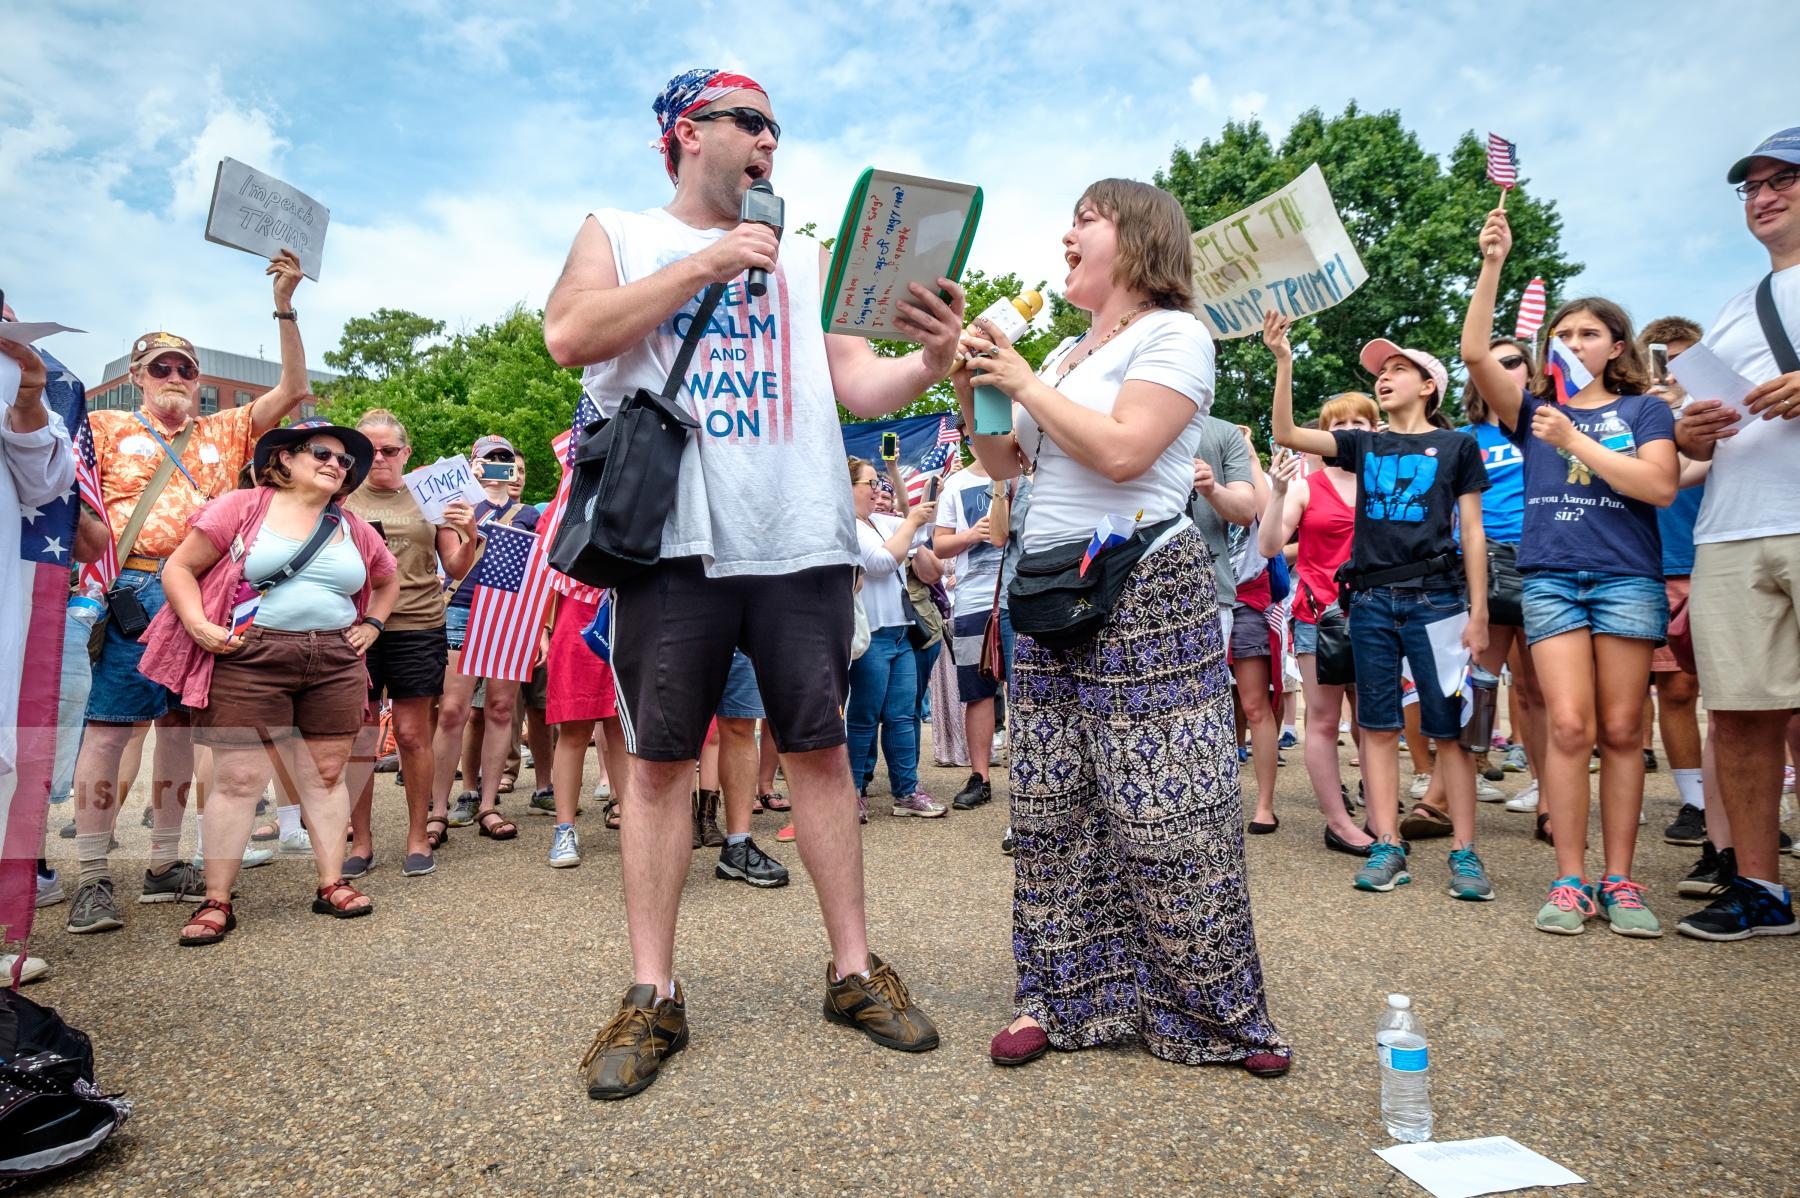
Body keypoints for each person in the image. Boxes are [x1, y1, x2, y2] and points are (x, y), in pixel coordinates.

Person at [543, 67, 965, 1099]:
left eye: (776, 125)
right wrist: (706, 265)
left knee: (820, 754)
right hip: (673, 542)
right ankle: (653, 991)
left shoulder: (808, 254)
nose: (770, 140)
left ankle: (854, 969)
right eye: (750, 121)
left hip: (802, 538)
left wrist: (932, 360)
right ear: (689, 134)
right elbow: (570, 336)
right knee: (657, 766)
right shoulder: (622, 229)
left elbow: (858, 383)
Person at [957, 177, 1287, 1075]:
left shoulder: (1175, 334)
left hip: (1144, 575)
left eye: (1085, 221)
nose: (1065, 235)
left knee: (1164, 808)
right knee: (1053, 805)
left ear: (1137, 239)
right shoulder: (1064, 352)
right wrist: (977, 384)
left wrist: (1022, 378)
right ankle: (1062, 996)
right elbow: (1004, 462)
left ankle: (1215, 1011)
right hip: (1051, 583)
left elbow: (1125, 451)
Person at [65, 252, 311, 934]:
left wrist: (284, 305)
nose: (175, 377)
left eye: (185, 368)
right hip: (134, 587)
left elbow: (292, 388)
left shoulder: (222, 429)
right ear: (139, 378)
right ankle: (90, 877)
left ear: (199, 381)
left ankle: (164, 864)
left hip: (207, 588)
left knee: (182, 727)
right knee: (112, 730)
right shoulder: (105, 426)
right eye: (160, 367)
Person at [1464, 208, 1679, 939]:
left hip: (1625, 576)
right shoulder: (1535, 411)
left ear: (1618, 344)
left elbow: (1657, 488)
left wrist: (1577, 444)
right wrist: (1492, 263)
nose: (1574, 342)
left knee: (1622, 730)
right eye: (1563, 332)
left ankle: (1620, 878)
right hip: (1551, 577)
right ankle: (1569, 879)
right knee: (1567, 724)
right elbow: (1472, 354)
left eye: (1589, 331)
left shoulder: (1645, 410)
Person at [140, 420, 397, 945]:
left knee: (327, 776)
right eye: (322, 453)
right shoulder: (241, 506)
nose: (335, 464)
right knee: (238, 778)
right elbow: (179, 568)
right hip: (249, 654)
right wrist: (198, 624)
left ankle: (331, 884)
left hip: (334, 657)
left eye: (345, 461)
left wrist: (372, 623)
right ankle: (217, 900)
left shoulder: (353, 526)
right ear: (283, 459)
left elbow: (387, 577)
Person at [1269, 313, 1493, 900]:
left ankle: (1465, 854)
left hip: (1438, 602)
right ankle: (1387, 842)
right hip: (1368, 602)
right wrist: (1284, 361)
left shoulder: (1457, 445)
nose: (1386, 378)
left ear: (1429, 387)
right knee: (1374, 724)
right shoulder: (1364, 444)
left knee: (1449, 730)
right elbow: (1290, 434)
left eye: (1400, 369)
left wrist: (1479, 610)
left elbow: (1471, 531)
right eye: (1382, 371)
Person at [1673, 130, 1800, 940]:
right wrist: (1693, 430)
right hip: (1730, 528)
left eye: (1783, 178)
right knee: (1742, 715)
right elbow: (1690, 436)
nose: (1763, 195)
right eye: (1750, 186)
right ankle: (1759, 886)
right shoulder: (1733, 307)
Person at [1408, 337, 1546, 830]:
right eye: (1490, 363)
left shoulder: (1545, 428)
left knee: (1535, 687)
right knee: (1472, 685)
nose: (1500, 369)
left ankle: (1549, 792)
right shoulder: (1464, 440)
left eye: (1511, 361)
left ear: (1531, 373)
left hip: (1540, 562)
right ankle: (1442, 795)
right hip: (1480, 566)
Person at [341, 409, 479, 877]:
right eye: (369, 450)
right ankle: (361, 840)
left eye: (389, 450)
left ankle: (418, 834)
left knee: (413, 734)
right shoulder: (339, 496)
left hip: (418, 623)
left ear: (407, 453)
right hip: (356, 626)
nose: (379, 458)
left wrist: (471, 532)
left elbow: (456, 567)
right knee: (359, 737)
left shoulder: (427, 496)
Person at [1257, 394, 1379, 854]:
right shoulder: (1309, 485)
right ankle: (1338, 822)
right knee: (1324, 721)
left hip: (1379, 615)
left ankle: (1381, 819)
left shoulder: (1389, 479)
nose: (1349, 429)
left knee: (1375, 723)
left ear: (1376, 428)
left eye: (1359, 422)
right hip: (1320, 618)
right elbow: (1269, 547)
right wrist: (1280, 491)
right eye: (1338, 423)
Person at [427, 435, 540, 844]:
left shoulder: (529, 513)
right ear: (473, 465)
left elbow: (537, 573)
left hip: (509, 615)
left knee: (500, 709)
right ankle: (439, 809)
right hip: (461, 610)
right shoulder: (455, 508)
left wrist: (540, 628)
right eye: (488, 459)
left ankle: (489, 804)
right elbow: (454, 569)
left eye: (504, 459)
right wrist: (470, 525)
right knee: (453, 710)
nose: (497, 465)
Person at [1633, 318, 1711, 848]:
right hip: (1645, 565)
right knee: (1664, 692)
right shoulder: (1634, 419)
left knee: (1717, 695)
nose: (1672, 371)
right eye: (1662, 360)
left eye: (1684, 360)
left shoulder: (1719, 418)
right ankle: (1696, 803)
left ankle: (1733, 803)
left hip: (1705, 561)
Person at [847, 457, 944, 818]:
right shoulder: (847, 524)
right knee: (864, 716)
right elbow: (881, 562)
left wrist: (924, 504)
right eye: (870, 484)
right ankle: (852, 791)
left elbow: (920, 529)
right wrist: (914, 521)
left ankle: (907, 791)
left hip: (902, 631)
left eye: (878, 484)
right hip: (871, 635)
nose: (877, 491)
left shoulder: (879, 521)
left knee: (904, 715)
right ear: (848, 487)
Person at [934, 456, 1018, 810]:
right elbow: (939, 545)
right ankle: (979, 777)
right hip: (972, 602)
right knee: (977, 690)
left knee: (1025, 690)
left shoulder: (1024, 477)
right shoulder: (956, 484)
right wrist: (971, 535)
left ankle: (1029, 775)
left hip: (1020, 597)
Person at [541, 583, 631, 866]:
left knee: (621, 730)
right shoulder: (555, 533)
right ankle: (564, 829)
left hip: (626, 616)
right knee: (573, 730)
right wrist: (543, 628)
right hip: (576, 623)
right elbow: (545, 571)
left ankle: (635, 828)